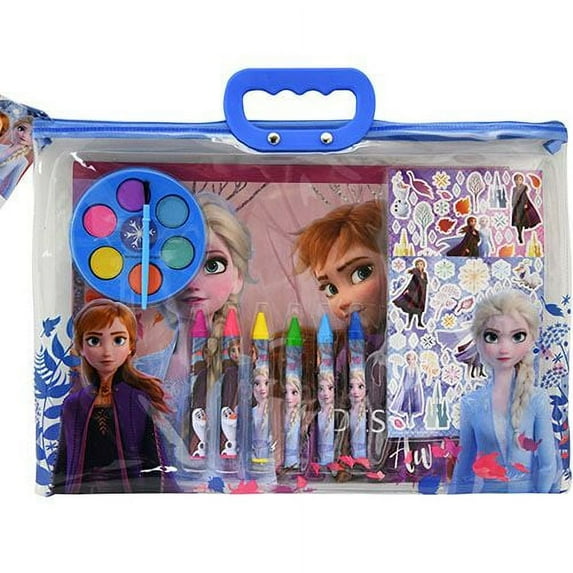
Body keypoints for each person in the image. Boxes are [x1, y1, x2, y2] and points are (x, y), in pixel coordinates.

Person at [135, 192, 252, 444]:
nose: (193, 282)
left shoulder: (251, 375)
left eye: (212, 265)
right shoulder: (142, 371)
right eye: (177, 263)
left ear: (238, 277)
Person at [293, 200, 388, 470]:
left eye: (361, 273)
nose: (342, 301)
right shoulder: (343, 354)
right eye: (330, 289)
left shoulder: (405, 348)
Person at [52, 299, 175, 494]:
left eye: (118, 340)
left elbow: (155, 458)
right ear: (81, 347)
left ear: (131, 346)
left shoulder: (136, 399)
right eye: (94, 341)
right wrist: (57, 493)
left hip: (130, 493)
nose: (107, 352)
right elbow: (64, 458)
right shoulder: (74, 404)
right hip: (82, 494)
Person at [450, 290, 557, 493]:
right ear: (478, 341)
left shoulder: (537, 399)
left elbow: (548, 465)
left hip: (529, 502)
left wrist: (542, 503)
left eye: (517, 336)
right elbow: (464, 467)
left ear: (531, 339)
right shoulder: (471, 403)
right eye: (492, 337)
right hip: (487, 502)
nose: (504, 348)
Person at [0, 116, 33, 202]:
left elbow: (11, 185)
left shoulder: (22, 161)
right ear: (13, 129)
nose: (24, 135)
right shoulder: (1, 147)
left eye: (31, 134)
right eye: (21, 129)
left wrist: (4, 203)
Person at [389, 350, 424, 429]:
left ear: (415, 360)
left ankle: (410, 418)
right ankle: (408, 418)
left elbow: (417, 378)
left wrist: (416, 386)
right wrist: (402, 387)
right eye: (408, 359)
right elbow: (403, 378)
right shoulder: (405, 368)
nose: (410, 361)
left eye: (412, 359)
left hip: (413, 389)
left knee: (412, 404)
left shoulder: (416, 368)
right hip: (406, 388)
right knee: (406, 404)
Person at [392, 258, 428, 329]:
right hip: (415, 293)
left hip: (422, 293)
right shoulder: (416, 273)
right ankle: (409, 323)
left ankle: (419, 322)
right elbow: (412, 282)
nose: (419, 266)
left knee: (420, 308)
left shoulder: (424, 274)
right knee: (412, 307)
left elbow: (426, 282)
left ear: (424, 265)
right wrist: (407, 289)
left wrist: (422, 279)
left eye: (421, 264)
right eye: (418, 264)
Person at [511, 173, 541, 244]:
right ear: (515, 181)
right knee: (517, 222)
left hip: (522, 206)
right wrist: (512, 203)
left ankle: (520, 235)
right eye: (517, 180)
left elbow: (525, 197)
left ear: (522, 180)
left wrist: (525, 204)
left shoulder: (524, 188)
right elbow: (513, 196)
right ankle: (519, 235)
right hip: (516, 207)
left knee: (522, 221)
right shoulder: (514, 189)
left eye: (520, 179)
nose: (518, 181)